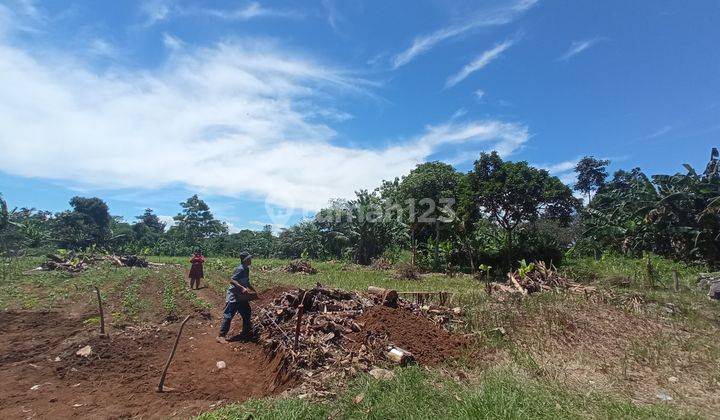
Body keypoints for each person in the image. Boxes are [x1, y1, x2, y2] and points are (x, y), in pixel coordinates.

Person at [217, 251, 257, 343]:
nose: (251, 260)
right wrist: (242, 288)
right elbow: (232, 280)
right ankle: (221, 336)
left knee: (247, 312)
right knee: (229, 315)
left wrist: (252, 289)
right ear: (245, 260)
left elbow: (247, 282)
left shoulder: (246, 269)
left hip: (242, 296)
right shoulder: (240, 269)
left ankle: (246, 332)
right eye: (249, 259)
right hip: (234, 296)